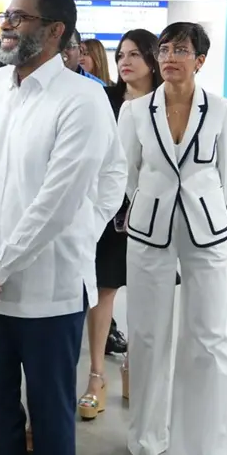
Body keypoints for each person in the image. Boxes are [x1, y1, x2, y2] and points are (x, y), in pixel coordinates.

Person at [0, 0, 122, 455]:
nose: (7, 25)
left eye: (20, 17)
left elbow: (64, 197)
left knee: (51, 416)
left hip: (49, 292)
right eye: (6, 15)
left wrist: (6, 261)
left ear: (55, 31)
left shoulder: (83, 99)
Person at [119, 22, 227, 455]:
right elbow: (127, 172)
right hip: (149, 227)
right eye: (164, 49)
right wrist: (152, 203)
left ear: (200, 60)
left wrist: (198, 207)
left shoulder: (224, 110)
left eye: (181, 50)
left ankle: (210, 452)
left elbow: (225, 174)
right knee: (147, 333)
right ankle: (147, 433)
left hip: (206, 228)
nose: (170, 56)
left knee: (209, 338)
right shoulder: (133, 113)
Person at [77, 28, 162, 421]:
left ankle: (134, 368)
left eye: (134, 55)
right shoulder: (105, 99)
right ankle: (97, 377)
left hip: (155, 215)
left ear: (153, 59)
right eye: (121, 55)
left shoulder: (167, 102)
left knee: (147, 297)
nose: (125, 62)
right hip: (109, 212)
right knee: (102, 293)